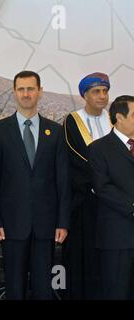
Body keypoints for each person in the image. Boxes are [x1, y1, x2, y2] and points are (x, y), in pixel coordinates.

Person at [0, 71, 70, 300]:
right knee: (14, 288)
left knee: (44, 289)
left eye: (31, 88)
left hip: (46, 224)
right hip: (11, 225)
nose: (26, 94)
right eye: (21, 89)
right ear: (14, 93)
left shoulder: (55, 131)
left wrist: (63, 221)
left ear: (40, 91)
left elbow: (62, 180)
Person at [62, 72, 112, 299]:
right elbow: (74, 159)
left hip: (113, 206)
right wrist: (100, 183)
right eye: (96, 92)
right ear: (85, 95)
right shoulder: (73, 120)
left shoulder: (115, 119)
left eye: (104, 91)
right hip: (85, 203)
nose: (102, 96)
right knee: (84, 261)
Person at [88, 95, 134, 300]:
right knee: (117, 292)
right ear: (119, 117)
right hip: (117, 237)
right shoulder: (99, 148)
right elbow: (102, 187)